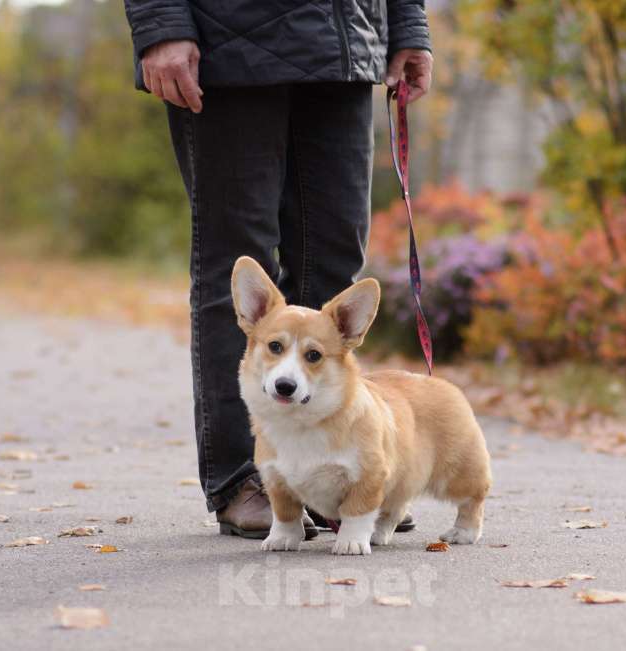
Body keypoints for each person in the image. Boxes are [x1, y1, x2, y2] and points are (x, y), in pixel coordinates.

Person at [123, 0, 433, 539]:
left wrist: (407, 22)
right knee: (242, 275)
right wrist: (161, 25)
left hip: (345, 43)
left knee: (336, 264)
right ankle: (245, 478)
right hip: (225, 43)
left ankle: (335, 481)